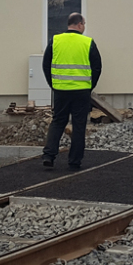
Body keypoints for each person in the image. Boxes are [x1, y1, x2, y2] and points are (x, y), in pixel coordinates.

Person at [41, 12, 103, 170]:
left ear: (69, 24)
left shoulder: (55, 40)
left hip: (61, 90)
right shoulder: (88, 42)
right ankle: (74, 161)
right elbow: (97, 67)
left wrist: (53, 84)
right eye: (84, 24)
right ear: (80, 24)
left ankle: (48, 155)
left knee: (58, 121)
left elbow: (45, 65)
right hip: (81, 91)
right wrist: (90, 86)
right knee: (79, 125)